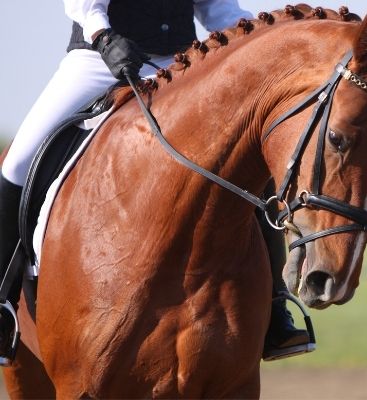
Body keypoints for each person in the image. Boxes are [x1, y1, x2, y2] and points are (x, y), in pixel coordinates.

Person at [0, 0, 309, 366]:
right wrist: (104, 37)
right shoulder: (98, 48)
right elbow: (85, 5)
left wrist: (255, 38)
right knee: (18, 163)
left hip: (181, 64)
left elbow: (219, 11)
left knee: (249, 163)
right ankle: (4, 301)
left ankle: (274, 304)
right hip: (99, 60)